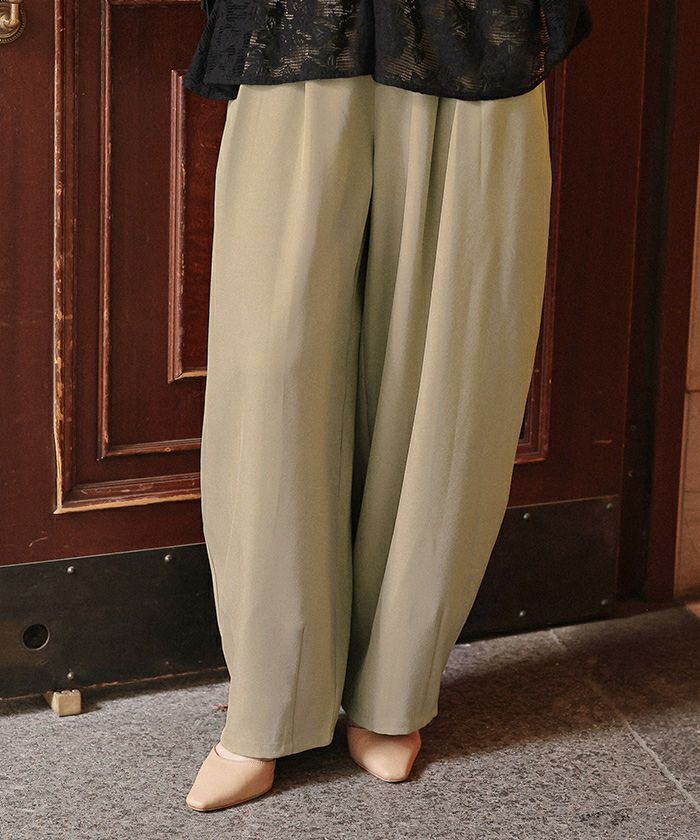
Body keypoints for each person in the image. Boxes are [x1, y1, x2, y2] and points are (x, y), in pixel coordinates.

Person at [183, 0, 593, 813]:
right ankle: (269, 701)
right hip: (298, 23)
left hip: (474, 28)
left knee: (450, 364)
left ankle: (395, 691)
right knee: (271, 365)